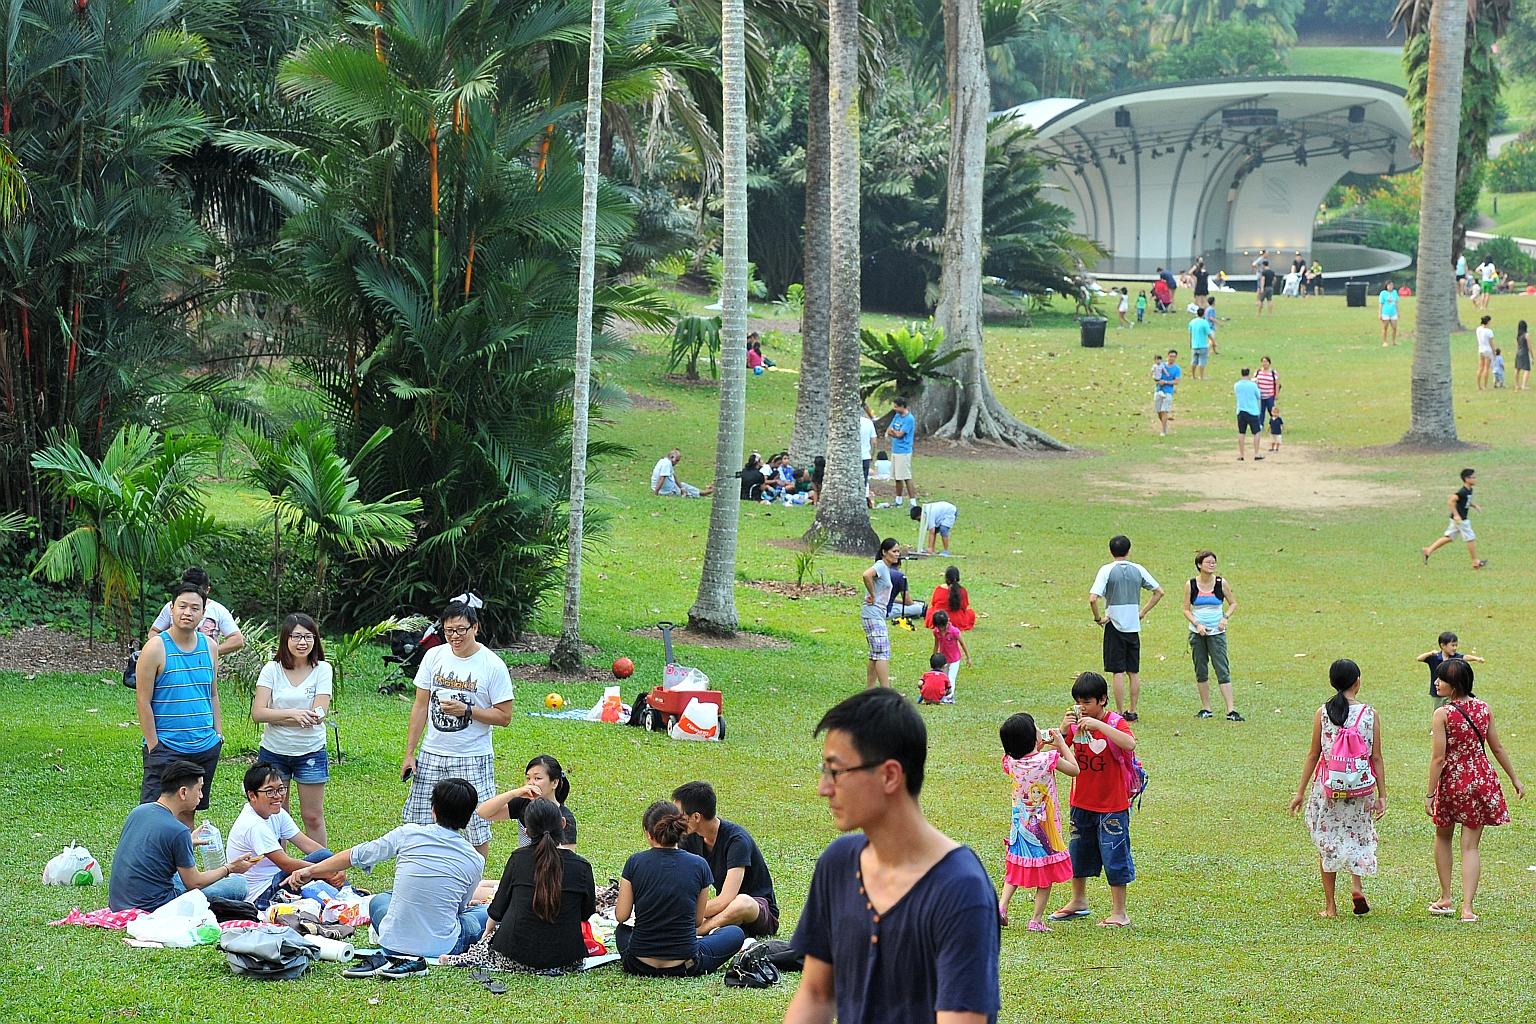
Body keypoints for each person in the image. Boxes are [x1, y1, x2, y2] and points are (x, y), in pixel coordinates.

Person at [785, 688, 1000, 1024]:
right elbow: (815, 994)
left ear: (889, 776)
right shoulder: (838, 863)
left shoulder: (960, 889)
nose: (823, 788)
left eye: (835, 771)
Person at [289, 778, 488, 979]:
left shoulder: (408, 834)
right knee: (486, 912)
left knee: (379, 900)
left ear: (433, 809)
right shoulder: (475, 859)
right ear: (469, 816)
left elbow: (355, 855)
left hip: (392, 941)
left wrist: (311, 871)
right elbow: (459, 909)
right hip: (442, 946)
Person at [401, 600, 514, 857]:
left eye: (461, 630)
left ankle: (473, 886)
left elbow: (505, 716)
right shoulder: (434, 656)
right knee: (419, 822)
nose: (455, 636)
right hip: (432, 754)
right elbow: (420, 707)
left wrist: (467, 711)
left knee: (477, 825)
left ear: (475, 627)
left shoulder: (492, 665)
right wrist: (410, 753)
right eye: (449, 630)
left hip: (471, 756)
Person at [440, 799, 597, 973]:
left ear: (527, 831)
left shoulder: (519, 859)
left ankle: (463, 958)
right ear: (563, 823)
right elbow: (586, 912)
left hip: (513, 957)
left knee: (488, 942)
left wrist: (488, 934)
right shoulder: (582, 866)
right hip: (567, 961)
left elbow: (498, 908)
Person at [1425, 659, 1525, 922]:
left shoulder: (1442, 714)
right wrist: (1515, 779)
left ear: (1454, 684)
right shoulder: (1484, 709)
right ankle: (1467, 909)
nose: (1436, 683)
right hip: (1481, 779)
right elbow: (1498, 748)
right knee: (1470, 847)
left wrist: (1430, 792)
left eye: (1441, 679)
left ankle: (1445, 897)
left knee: (1443, 837)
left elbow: (1438, 758)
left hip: (1453, 782)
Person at [1288, 659, 1386, 918]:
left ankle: (1330, 906)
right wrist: (1383, 795)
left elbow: (1313, 754)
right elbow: (1376, 758)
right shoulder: (1369, 714)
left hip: (1328, 788)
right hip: (1361, 788)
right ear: (1357, 682)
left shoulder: (1322, 713)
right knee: (1357, 835)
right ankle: (1356, 885)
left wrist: (1299, 792)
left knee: (1328, 841)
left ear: (1333, 683)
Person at [108, 759, 261, 912]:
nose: (201, 796)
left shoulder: (140, 811)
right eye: (199, 789)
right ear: (183, 792)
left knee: (178, 877)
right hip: (156, 906)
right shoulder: (177, 830)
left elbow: (151, 851)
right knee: (239, 884)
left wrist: (187, 842)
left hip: (119, 901)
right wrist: (230, 868)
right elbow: (194, 883)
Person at [615, 801, 745, 976]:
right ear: (681, 831)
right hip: (686, 964)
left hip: (638, 963)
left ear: (648, 834)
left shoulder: (634, 862)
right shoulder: (699, 865)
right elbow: (697, 921)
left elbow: (621, 916)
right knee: (735, 933)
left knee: (622, 931)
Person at [1048, 672, 1137, 928]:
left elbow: (1129, 744)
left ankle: (1119, 912)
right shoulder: (1075, 726)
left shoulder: (1114, 722)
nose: (1082, 707)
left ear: (1103, 700)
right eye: (1078, 701)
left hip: (1112, 805)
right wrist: (1063, 731)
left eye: (1087, 701)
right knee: (1078, 853)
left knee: (1114, 855)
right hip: (1081, 801)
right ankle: (1078, 901)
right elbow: (1057, 756)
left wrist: (1100, 727)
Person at [135, 582, 224, 815]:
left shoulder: (211, 647)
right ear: (171, 609)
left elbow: (213, 693)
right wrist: (155, 746)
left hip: (204, 746)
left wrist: (218, 735)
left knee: (189, 812)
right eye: (182, 606)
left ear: (203, 613)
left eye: (195, 608)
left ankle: (186, 853)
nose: (188, 612)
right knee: (154, 816)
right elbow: (143, 701)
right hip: (167, 747)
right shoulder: (155, 648)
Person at [252, 613, 333, 843]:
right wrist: (294, 714)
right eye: (296, 636)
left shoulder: (323, 669)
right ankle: (281, 873)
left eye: (308, 637)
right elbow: (258, 713)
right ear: (285, 639)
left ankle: (321, 872)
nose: (302, 642)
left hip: (310, 751)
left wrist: (275, 717)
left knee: (312, 816)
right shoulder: (271, 669)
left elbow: (319, 714)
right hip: (274, 751)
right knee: (276, 815)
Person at [997, 713, 1078, 932]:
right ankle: (1036, 919)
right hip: (1044, 829)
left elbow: (1027, 761)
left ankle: (1002, 907)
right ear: (1032, 737)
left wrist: (1037, 747)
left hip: (1020, 828)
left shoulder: (1011, 762)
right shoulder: (1047, 759)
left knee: (1014, 870)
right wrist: (1061, 744)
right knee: (1045, 874)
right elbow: (1074, 769)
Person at [673, 781, 780, 937]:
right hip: (722, 912)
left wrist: (685, 915)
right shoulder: (690, 838)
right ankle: (713, 927)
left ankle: (700, 930)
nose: (676, 821)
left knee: (742, 902)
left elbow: (726, 899)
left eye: (680, 816)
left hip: (756, 910)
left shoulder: (737, 840)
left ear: (696, 817)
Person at [226, 762, 340, 909]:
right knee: (318, 868)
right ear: (252, 795)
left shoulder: (276, 813)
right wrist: (325, 872)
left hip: (277, 878)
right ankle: (347, 894)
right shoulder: (254, 825)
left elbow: (309, 846)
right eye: (270, 791)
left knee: (324, 855)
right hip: (262, 895)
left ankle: (345, 892)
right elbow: (286, 863)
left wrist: (336, 864)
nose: (278, 796)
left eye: (281, 789)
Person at [1088, 534, 1163, 722]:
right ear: (1129, 550)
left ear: (1110, 550)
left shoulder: (1106, 570)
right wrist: (1142, 611)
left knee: (1117, 671)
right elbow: (1158, 591)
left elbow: (1093, 598)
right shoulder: (1138, 569)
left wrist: (1098, 618)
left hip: (1114, 624)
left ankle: (1120, 712)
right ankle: (1133, 710)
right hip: (1132, 626)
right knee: (1133, 671)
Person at [1183, 551, 1243, 721]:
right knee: (1201, 669)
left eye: (1214, 562)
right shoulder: (1191, 584)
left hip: (1217, 632)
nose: (1212, 565)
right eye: (1208, 562)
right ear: (1199, 565)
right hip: (1197, 632)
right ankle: (1206, 708)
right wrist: (1197, 624)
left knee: (1222, 668)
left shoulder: (1220, 583)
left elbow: (1233, 603)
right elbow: (1186, 609)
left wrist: (1225, 618)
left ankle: (1231, 709)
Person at [477, 753, 578, 849]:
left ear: (555, 783)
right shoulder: (523, 804)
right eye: (528, 778)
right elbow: (483, 812)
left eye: (537, 778)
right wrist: (514, 793)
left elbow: (568, 857)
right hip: (524, 863)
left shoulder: (565, 817)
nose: (531, 783)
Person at [146, 566, 245, 657]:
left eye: (195, 608)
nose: (188, 613)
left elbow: (237, 640)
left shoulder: (218, 610)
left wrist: (210, 652)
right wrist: (166, 651)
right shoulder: (172, 607)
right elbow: (154, 632)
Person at [1421, 468, 1486, 569]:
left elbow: (1466, 501)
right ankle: (1475, 561)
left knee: (1449, 537)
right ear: (1466, 479)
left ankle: (1428, 550)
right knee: (1470, 538)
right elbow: (1450, 501)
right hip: (1461, 520)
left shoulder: (1469, 490)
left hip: (1458, 520)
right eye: (1473, 477)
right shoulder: (1463, 491)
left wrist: (1474, 505)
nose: (1475, 479)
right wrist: (1456, 515)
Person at [860, 539, 900, 688]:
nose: (897, 554)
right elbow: (866, 575)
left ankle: (869, 689)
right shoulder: (881, 566)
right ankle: (886, 690)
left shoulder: (886, 568)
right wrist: (872, 594)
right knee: (883, 652)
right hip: (873, 614)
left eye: (898, 551)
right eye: (894, 551)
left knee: (875, 653)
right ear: (884, 552)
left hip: (876, 614)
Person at [1417, 631, 1486, 714]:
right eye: (1452, 645)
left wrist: (1476, 659)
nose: (1455, 648)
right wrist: (1430, 653)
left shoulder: (1455, 657)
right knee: (1438, 711)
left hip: (1452, 691)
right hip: (1437, 693)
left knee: (1453, 711)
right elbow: (1419, 658)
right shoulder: (1434, 658)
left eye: (1456, 645)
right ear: (1443, 645)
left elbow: (1465, 657)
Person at [929, 609, 970, 704]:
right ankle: (942, 695)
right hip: (944, 659)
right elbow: (936, 644)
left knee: (951, 678)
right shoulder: (936, 632)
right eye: (939, 627)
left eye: (942, 627)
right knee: (943, 677)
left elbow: (963, 643)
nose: (941, 629)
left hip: (955, 659)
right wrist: (934, 657)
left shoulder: (954, 631)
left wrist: (968, 657)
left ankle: (949, 697)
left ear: (948, 622)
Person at [886, 396, 917, 507]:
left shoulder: (909, 419)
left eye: (896, 406)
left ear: (902, 407)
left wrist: (895, 433)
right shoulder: (897, 416)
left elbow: (900, 435)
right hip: (895, 450)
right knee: (897, 477)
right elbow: (889, 430)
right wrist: (894, 432)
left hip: (904, 451)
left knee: (906, 476)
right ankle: (898, 500)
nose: (894, 409)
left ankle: (913, 501)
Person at [924, 564, 976, 630]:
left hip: (939, 619)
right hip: (957, 620)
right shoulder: (962, 591)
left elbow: (933, 603)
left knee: (930, 610)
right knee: (971, 613)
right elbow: (964, 607)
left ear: (946, 578)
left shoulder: (939, 589)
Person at [1234, 367, 1264, 462]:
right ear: (1249, 373)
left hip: (1241, 411)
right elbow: (1258, 396)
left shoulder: (1237, 385)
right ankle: (1256, 453)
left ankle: (1241, 454)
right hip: (1252, 411)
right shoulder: (1253, 385)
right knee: (1256, 432)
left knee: (1241, 433)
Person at [1155, 349, 1180, 435]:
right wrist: (1158, 381)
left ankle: (1163, 431)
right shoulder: (1161, 366)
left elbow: (1176, 381)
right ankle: (1164, 426)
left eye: (1174, 357)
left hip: (1168, 392)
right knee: (1159, 412)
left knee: (1164, 411)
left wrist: (1166, 382)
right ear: (1167, 356)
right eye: (1170, 356)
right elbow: (1155, 376)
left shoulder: (1177, 369)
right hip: (1158, 390)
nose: (1172, 358)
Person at [1254, 356, 1279, 430]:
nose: (1264, 363)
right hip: (1260, 396)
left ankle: (1275, 424)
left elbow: (1277, 383)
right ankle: (1260, 425)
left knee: (1272, 410)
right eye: (1263, 362)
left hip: (1270, 395)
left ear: (1269, 363)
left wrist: (1276, 394)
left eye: (1266, 362)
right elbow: (1254, 381)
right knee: (1261, 411)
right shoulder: (1258, 371)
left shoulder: (1273, 373)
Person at [1188, 306, 1212, 381]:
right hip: (1203, 345)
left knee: (1194, 361)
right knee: (1202, 361)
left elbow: (1190, 333)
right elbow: (1208, 334)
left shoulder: (1192, 322)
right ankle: (1201, 376)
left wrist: (1190, 343)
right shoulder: (1204, 322)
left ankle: (1193, 376)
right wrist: (1213, 342)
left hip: (1194, 345)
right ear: (1203, 314)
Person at [859, 403, 878, 484]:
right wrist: (872, 455)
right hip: (865, 456)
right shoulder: (869, 423)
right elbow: (874, 442)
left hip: (854, 456)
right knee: (864, 480)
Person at [1475, 315, 1494, 391]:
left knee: (1480, 367)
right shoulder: (1489, 331)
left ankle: (1478, 385)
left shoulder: (1478, 329)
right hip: (1488, 350)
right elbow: (1491, 343)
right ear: (1488, 322)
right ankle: (1485, 385)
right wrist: (1494, 351)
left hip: (1481, 349)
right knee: (1486, 368)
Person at [1379, 280, 1399, 346]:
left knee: (1394, 327)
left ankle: (1394, 341)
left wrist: (1398, 312)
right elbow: (1381, 304)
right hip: (1385, 312)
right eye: (1389, 285)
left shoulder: (1395, 292)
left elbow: (1396, 302)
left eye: (1392, 285)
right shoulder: (1383, 293)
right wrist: (1380, 313)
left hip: (1393, 312)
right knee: (1385, 327)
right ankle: (1385, 341)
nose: (1391, 287)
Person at [1515, 319, 1532, 390]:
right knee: (1527, 369)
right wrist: (1533, 356)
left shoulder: (1518, 336)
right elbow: (1529, 347)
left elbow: (1517, 346)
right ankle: (1523, 385)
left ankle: (1517, 385)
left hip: (1518, 353)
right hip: (1524, 353)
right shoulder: (1526, 335)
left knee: (1517, 369)